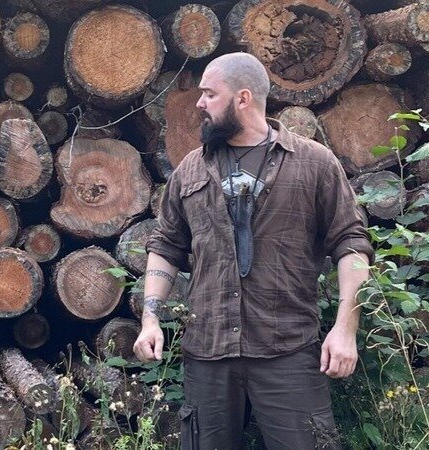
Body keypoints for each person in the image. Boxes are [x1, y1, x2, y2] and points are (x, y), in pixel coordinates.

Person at [133, 52, 373, 450]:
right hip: (208, 353)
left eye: (210, 94)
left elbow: (351, 243)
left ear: (243, 98)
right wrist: (150, 318)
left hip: (288, 351)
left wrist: (345, 329)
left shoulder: (314, 163)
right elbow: (166, 246)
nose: (200, 103)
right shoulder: (190, 169)